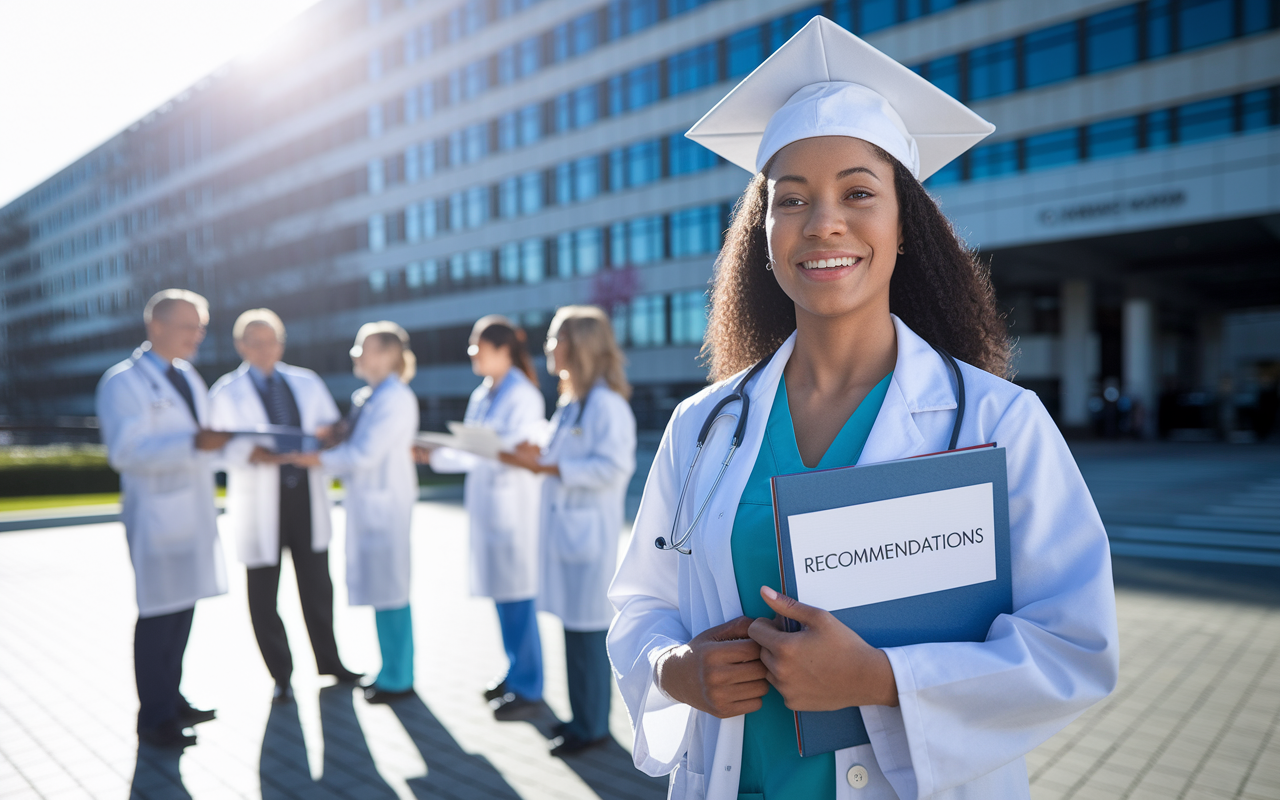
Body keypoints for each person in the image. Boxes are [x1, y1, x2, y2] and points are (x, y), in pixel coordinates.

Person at [607, 17, 1119, 799]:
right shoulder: (704, 426)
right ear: (764, 232)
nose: (824, 223)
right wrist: (672, 669)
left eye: (857, 192)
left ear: (905, 226)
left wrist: (882, 678)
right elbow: (642, 601)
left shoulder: (997, 422)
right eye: (792, 199)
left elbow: (1075, 646)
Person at [96, 289, 233, 749]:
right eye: (188, 326)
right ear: (156, 326)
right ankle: (154, 719)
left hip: (190, 511)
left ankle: (172, 700)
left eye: (201, 327)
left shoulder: (187, 376)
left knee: (182, 612)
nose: (197, 335)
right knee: (158, 615)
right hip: (157, 516)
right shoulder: (122, 383)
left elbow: (205, 435)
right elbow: (126, 452)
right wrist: (196, 446)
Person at [207, 309, 362, 705]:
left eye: (272, 340)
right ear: (241, 346)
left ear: (282, 342)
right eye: (255, 342)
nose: (265, 349)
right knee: (263, 595)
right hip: (260, 502)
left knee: (317, 587)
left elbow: (329, 430)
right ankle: (281, 676)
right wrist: (247, 452)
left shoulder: (306, 382)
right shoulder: (226, 391)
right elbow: (217, 446)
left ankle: (331, 662)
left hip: (304, 497)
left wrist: (332, 435)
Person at [501, 305, 637, 757]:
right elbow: (559, 451)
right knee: (574, 635)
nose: (547, 349)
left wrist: (550, 464)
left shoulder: (606, 404)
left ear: (578, 347)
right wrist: (538, 450)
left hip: (588, 540)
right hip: (568, 538)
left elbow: (614, 467)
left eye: (555, 340)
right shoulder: (573, 402)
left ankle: (593, 726)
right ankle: (581, 719)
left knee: (587, 639)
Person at [272, 322, 420, 704]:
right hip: (370, 508)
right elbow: (352, 441)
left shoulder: (395, 399)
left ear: (387, 354)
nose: (356, 354)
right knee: (382, 590)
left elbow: (363, 455)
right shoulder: (367, 397)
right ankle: (390, 671)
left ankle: (400, 678)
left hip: (386, 508)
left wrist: (314, 459)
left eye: (363, 348)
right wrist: (333, 435)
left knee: (392, 592)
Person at [416, 316, 548, 720]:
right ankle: (514, 672)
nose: (472, 352)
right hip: (490, 508)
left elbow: (516, 452)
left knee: (518, 598)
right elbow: (474, 449)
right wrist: (436, 454)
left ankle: (529, 685)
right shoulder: (483, 393)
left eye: (478, 346)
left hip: (513, 510)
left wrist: (467, 450)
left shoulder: (523, 395)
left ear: (502, 350)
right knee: (502, 597)